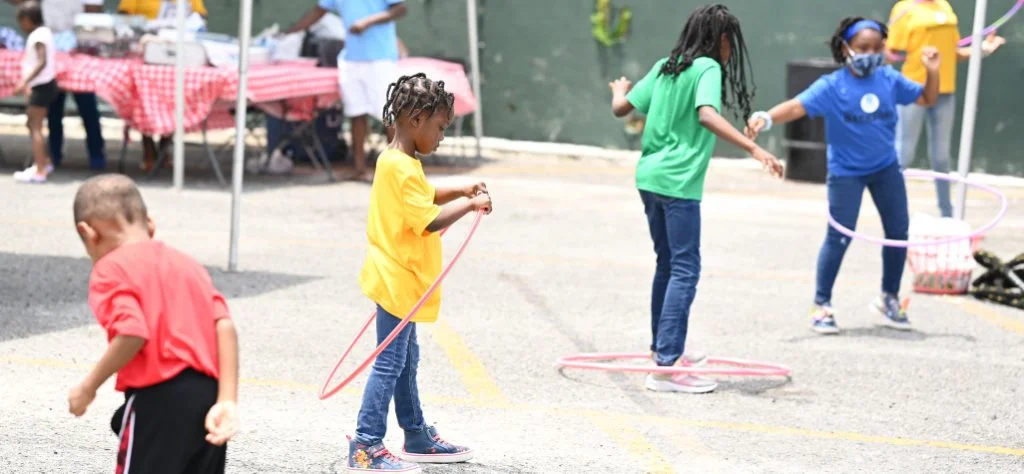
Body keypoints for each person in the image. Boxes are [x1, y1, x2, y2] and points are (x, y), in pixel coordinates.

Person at [608, 4, 783, 394]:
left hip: (650, 178)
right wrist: (756, 151)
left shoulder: (664, 67)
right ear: (721, 40)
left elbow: (621, 108)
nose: (731, 52)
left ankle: (663, 351)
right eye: (730, 43)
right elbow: (706, 114)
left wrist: (620, 89)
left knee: (668, 264)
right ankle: (667, 366)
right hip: (678, 183)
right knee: (685, 268)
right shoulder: (707, 68)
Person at [745, 17, 940, 334]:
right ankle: (821, 304)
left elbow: (927, 98)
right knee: (839, 236)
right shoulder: (833, 86)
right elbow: (796, 107)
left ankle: (889, 297)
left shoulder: (889, 79)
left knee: (897, 233)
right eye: (863, 48)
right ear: (845, 48)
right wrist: (765, 118)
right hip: (846, 173)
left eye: (878, 48)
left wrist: (932, 70)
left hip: (885, 169)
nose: (871, 54)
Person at [347, 73, 490, 473]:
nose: (442, 136)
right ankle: (366, 446)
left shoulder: (399, 161)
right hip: (396, 279)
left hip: (402, 279)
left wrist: (461, 190)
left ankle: (415, 435)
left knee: (407, 359)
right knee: (391, 362)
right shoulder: (399, 167)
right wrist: (472, 204)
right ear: (415, 120)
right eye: (440, 127)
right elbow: (427, 220)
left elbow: (423, 195)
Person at [67, 173, 240, 473]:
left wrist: (88, 387)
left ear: (88, 232)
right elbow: (223, 325)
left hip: (157, 397)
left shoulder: (110, 270)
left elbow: (132, 332)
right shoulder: (189, 265)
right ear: (150, 224)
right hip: (207, 396)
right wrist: (227, 400)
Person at [887, 0, 1005, 217]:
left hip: (945, 90)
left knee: (941, 157)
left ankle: (947, 213)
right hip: (914, 90)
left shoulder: (945, 7)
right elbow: (889, 52)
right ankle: (892, 208)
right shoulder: (904, 8)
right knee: (903, 152)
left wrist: (984, 49)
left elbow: (954, 53)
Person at [286, 0, 407, 183]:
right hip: (351, 58)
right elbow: (318, 12)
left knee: (388, 114)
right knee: (356, 113)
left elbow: (400, 9)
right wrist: (290, 32)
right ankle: (359, 169)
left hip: (380, 57)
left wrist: (368, 22)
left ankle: (398, 172)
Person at [118, 0, 208, 171]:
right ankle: (148, 148)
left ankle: (164, 147)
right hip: (146, 49)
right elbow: (124, 17)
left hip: (179, 50)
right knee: (143, 98)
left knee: (175, 100)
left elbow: (201, 16)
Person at [12, 1, 57, 183]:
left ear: (28, 19)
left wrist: (24, 82)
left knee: (36, 128)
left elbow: (41, 62)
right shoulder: (44, 32)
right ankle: (44, 161)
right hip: (43, 85)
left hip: (42, 86)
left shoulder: (38, 36)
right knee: (32, 124)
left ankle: (40, 170)